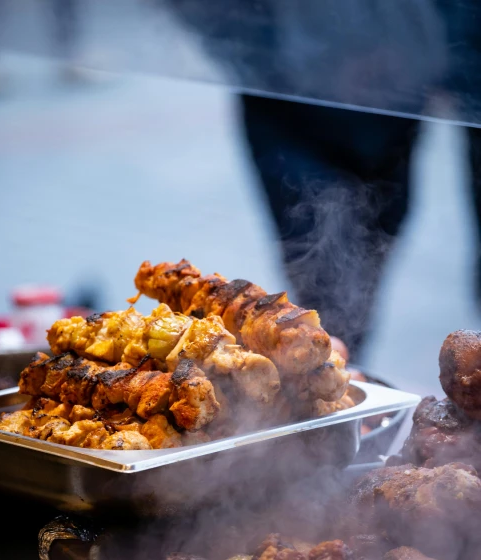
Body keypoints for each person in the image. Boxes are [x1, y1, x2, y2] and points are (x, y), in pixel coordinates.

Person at [166, 0, 481, 358]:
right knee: (324, 279)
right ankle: (325, 371)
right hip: (289, 105)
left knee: (372, 248)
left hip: (396, 103)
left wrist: (436, 58)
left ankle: (340, 367)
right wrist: (275, 56)